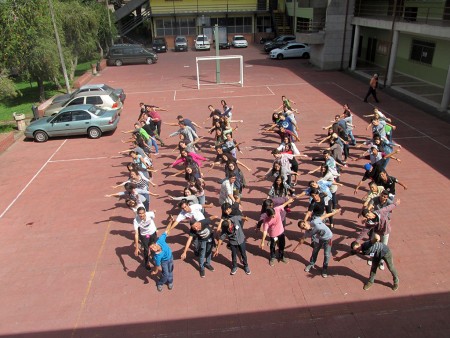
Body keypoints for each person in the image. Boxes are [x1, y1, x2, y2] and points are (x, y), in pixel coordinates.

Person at [334, 234, 399, 291]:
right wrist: (340, 258)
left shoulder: (366, 245)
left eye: (358, 248)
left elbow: (375, 239)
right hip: (376, 255)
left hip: (385, 252)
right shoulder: (356, 251)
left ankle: (396, 281)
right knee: (373, 268)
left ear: (359, 244)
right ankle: (370, 282)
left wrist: (376, 235)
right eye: (356, 250)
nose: (358, 251)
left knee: (391, 267)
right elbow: (348, 254)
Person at [295, 209, 341, 278]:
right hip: (318, 239)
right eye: (303, 227)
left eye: (304, 224)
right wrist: (296, 247)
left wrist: (334, 213)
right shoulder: (308, 233)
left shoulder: (315, 221)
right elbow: (302, 239)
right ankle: (311, 263)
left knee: (327, 254)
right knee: (315, 251)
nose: (305, 227)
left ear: (306, 222)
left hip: (328, 239)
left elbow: (325, 216)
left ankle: (325, 268)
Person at [260, 198, 294, 266]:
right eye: (272, 216)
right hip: (274, 236)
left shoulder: (277, 209)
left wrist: (289, 201)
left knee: (282, 245)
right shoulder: (266, 221)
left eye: (274, 214)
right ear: (268, 215)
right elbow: (265, 231)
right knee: (273, 246)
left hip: (281, 233)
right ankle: (272, 257)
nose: (274, 216)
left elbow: (283, 205)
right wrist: (262, 242)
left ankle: (281, 256)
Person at [149, 225, 174, 292]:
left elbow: (167, 230)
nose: (153, 248)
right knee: (166, 274)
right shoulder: (157, 256)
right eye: (151, 249)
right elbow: (157, 265)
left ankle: (170, 282)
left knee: (170, 271)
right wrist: (155, 271)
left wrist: (171, 222)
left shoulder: (160, 240)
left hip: (170, 258)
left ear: (155, 244)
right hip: (164, 262)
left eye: (153, 246)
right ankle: (160, 283)